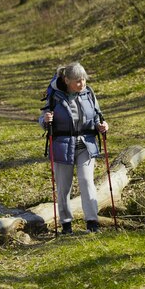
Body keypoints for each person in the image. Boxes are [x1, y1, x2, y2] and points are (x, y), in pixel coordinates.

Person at [39, 62, 109, 234]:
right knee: (63, 187)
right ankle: (66, 224)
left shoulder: (89, 93)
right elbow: (43, 118)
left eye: (84, 80)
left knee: (87, 182)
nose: (82, 84)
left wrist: (102, 126)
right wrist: (45, 120)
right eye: (78, 81)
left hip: (86, 144)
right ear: (67, 80)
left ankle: (92, 223)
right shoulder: (55, 95)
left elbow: (97, 117)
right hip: (62, 145)